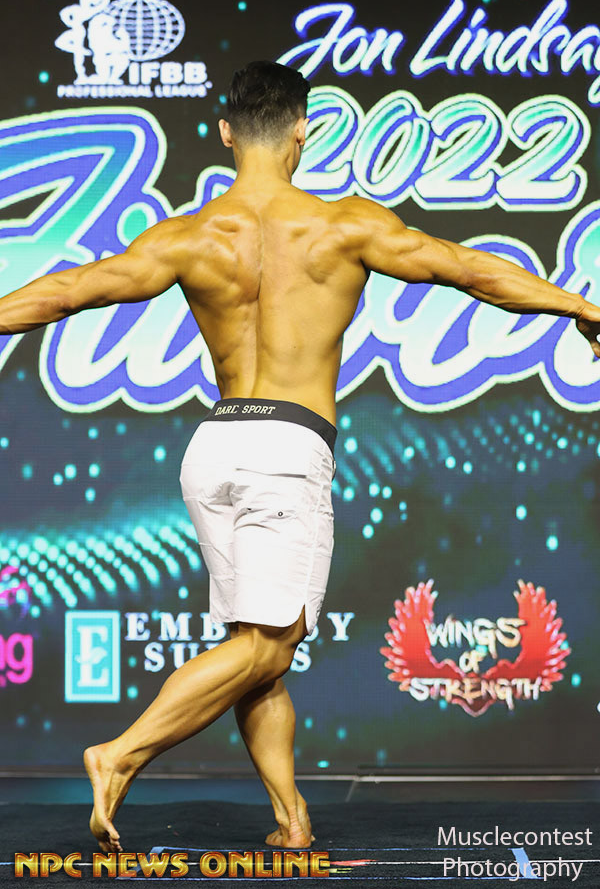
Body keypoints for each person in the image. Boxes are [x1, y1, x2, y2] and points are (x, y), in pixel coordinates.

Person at [1, 60, 599, 853]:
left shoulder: (188, 236)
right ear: (303, 131)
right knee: (267, 643)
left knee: (260, 654)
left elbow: (72, 288)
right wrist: (578, 304)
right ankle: (120, 754)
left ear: (224, 133)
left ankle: (291, 818)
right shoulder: (340, 227)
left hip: (214, 448)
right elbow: (466, 270)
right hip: (285, 448)